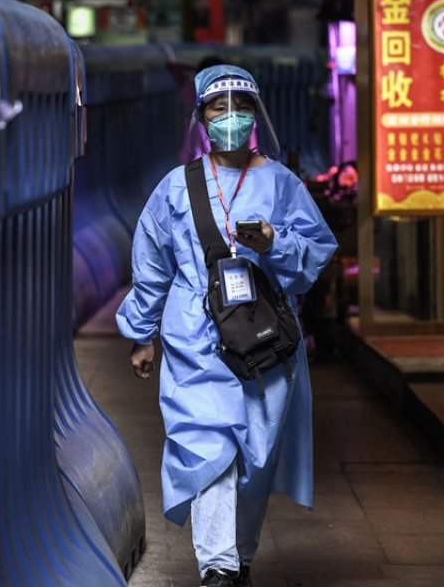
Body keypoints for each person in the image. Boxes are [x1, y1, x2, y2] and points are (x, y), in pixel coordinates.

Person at [116, 65, 337, 587]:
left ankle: (238, 556)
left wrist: (274, 244)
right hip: (195, 338)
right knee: (209, 446)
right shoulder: (175, 188)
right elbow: (151, 264)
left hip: (266, 343)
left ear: (257, 115)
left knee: (255, 461)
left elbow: (316, 255)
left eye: (242, 105)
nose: (231, 117)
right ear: (200, 117)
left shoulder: (283, 185)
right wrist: (141, 333)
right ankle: (218, 567)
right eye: (219, 107)